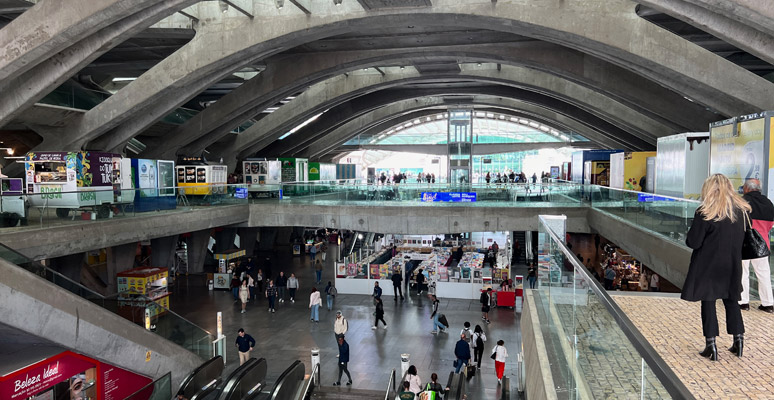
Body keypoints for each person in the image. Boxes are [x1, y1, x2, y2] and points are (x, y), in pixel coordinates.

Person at [682, 174, 749, 361]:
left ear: (709, 189)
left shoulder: (705, 212)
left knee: (708, 301)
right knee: (731, 300)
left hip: (708, 264)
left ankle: (711, 345)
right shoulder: (740, 212)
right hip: (732, 264)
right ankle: (738, 341)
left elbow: (693, 242)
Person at [739, 178, 774, 313]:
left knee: (743, 272)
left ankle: (743, 302)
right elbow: (771, 224)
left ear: (746, 188)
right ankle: (768, 304)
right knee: (764, 273)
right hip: (762, 243)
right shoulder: (768, 203)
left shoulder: (743, 202)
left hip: (744, 242)